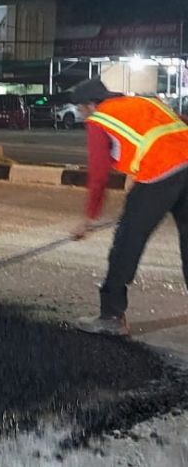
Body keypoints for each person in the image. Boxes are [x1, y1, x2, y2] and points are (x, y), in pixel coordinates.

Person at [69, 78, 188, 336]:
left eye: (80, 109)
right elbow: (173, 128)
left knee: (126, 243)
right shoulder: (144, 101)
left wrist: (88, 218)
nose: (81, 115)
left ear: (90, 105)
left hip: (159, 175)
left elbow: (99, 174)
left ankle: (111, 316)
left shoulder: (99, 120)